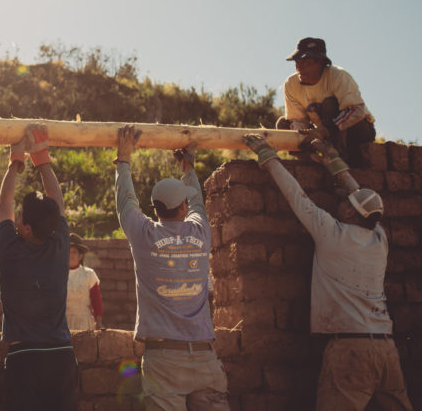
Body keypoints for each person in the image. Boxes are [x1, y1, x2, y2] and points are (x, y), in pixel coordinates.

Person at [243, 133, 413, 410]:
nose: (340, 202)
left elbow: (296, 196)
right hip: (385, 349)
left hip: (351, 351)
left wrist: (268, 156)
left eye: (346, 203)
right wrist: (335, 163)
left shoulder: (331, 233)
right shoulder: (379, 238)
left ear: (351, 214)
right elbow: (366, 203)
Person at [115, 126, 230, 410]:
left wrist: (124, 158)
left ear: (156, 210)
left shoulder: (144, 235)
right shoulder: (201, 231)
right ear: (183, 208)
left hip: (164, 361)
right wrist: (187, 168)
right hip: (205, 356)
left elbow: (126, 202)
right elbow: (199, 202)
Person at [0, 124, 79, 411]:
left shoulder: (10, 250)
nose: (16, 216)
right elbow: (58, 203)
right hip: (61, 355)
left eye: (20, 216)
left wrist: (15, 163)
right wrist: (41, 158)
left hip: (25, 357)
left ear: (27, 228)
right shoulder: (60, 244)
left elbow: (3, 205)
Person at [276, 37, 376, 164]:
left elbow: (356, 111)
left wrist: (323, 131)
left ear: (320, 63)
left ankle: (341, 159)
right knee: (284, 124)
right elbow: (298, 119)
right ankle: (311, 163)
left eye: (306, 63)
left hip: (356, 130)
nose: (300, 68)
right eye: (297, 63)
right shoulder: (291, 84)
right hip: (325, 134)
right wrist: (303, 136)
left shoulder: (338, 76)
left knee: (329, 104)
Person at [66, 233, 103, 330]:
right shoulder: (58, 275)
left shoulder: (89, 274)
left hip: (83, 322)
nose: (71, 255)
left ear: (80, 256)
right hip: (63, 322)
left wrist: (98, 321)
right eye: (68, 251)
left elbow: (96, 299)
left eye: (74, 252)